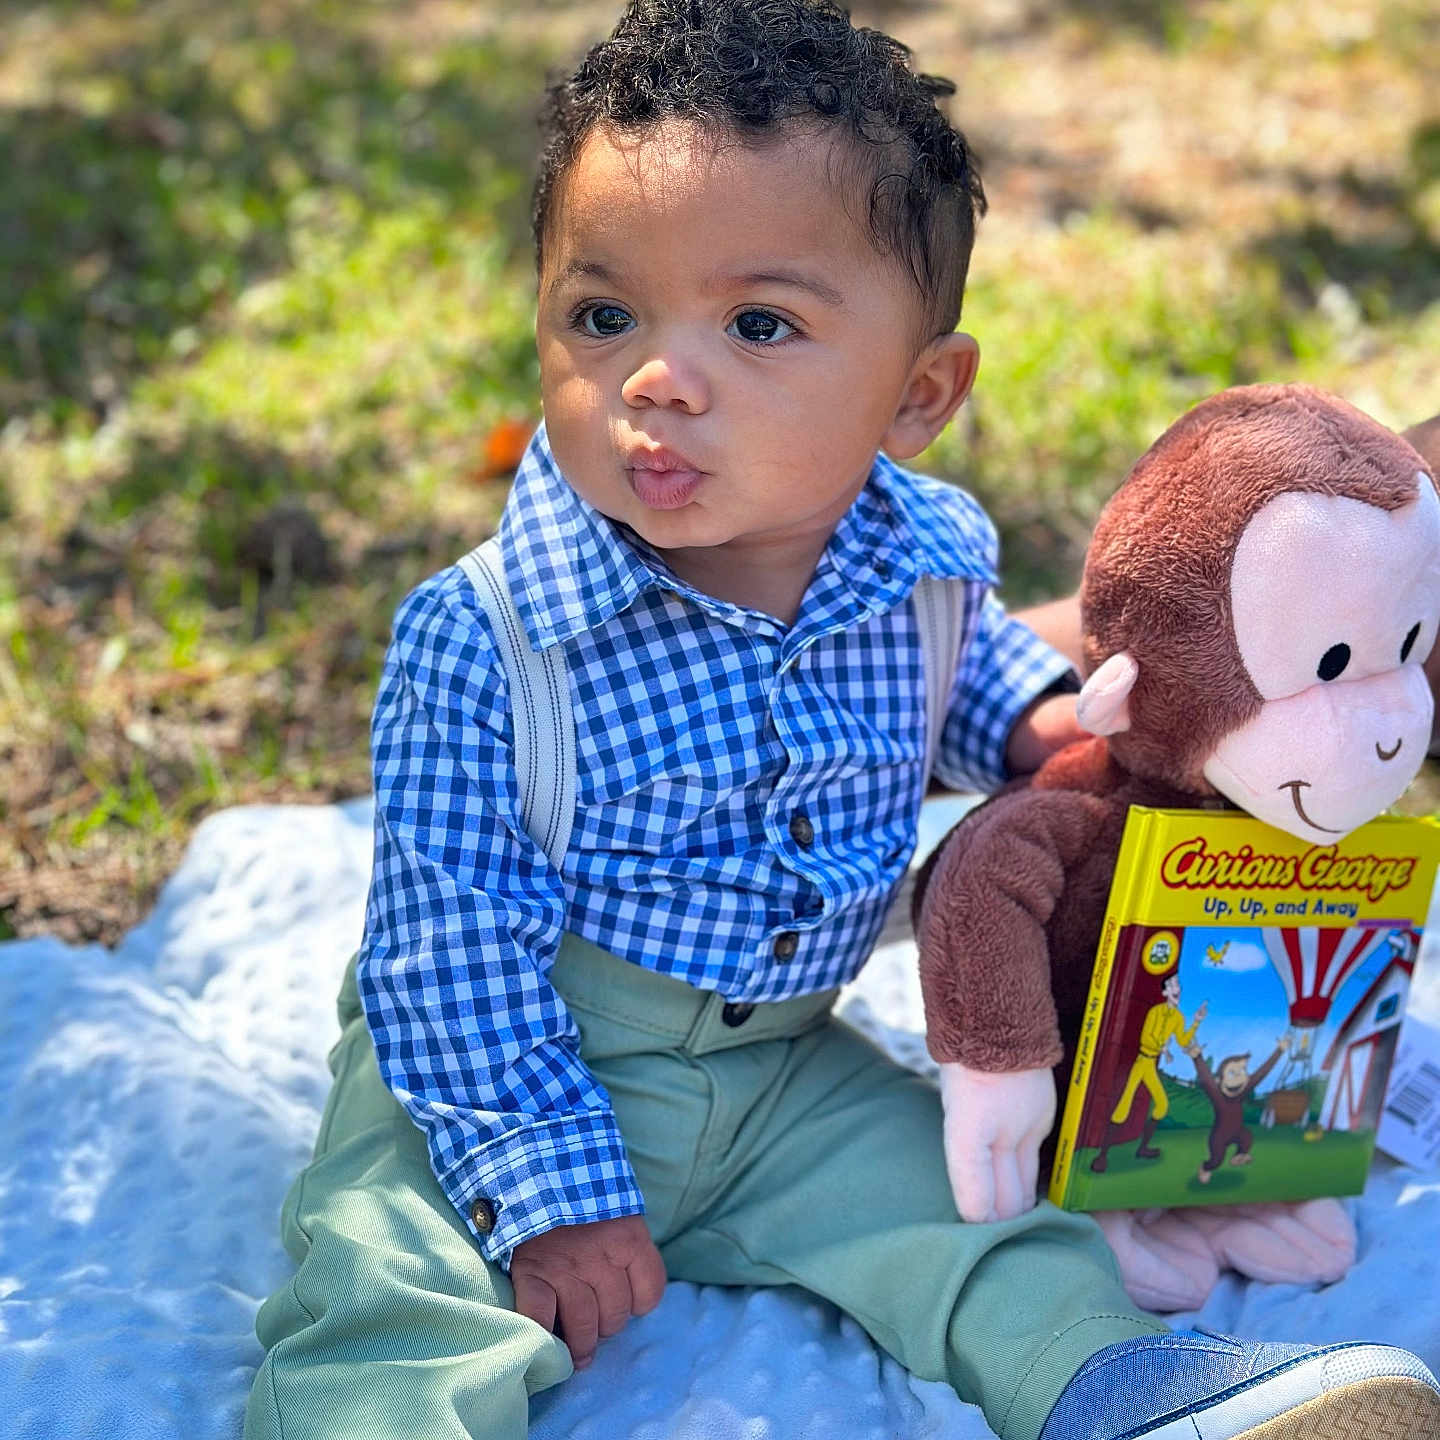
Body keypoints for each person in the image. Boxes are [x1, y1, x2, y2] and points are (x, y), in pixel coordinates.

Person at [243, 4, 1440, 1438]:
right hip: (524, 1056)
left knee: (984, 1221)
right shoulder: (489, 635)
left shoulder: (924, 556)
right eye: (600, 312)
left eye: (759, 324)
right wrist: (551, 1194)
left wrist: (1051, 729)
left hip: (779, 1070)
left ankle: (1126, 1390)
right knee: (389, 1293)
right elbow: (445, 954)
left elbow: (974, 672)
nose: (654, 376)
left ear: (918, 395)